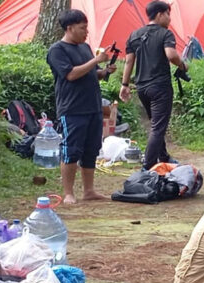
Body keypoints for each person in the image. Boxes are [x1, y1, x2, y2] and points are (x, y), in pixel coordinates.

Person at [47, 9, 116, 204]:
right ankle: (69, 192)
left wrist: (104, 70)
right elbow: (70, 74)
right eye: (82, 28)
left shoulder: (85, 48)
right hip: (72, 109)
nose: (86, 32)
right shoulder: (57, 50)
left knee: (91, 148)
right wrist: (96, 60)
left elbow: (92, 73)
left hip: (92, 106)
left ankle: (89, 190)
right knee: (71, 149)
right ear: (69, 28)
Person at [119, 1, 188, 170]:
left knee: (156, 124)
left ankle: (163, 156)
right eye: (168, 14)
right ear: (159, 14)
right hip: (160, 87)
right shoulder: (165, 34)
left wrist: (125, 84)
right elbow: (171, 55)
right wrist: (183, 65)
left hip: (142, 88)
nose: (169, 19)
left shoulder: (134, 35)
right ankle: (147, 167)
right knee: (158, 127)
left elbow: (129, 61)